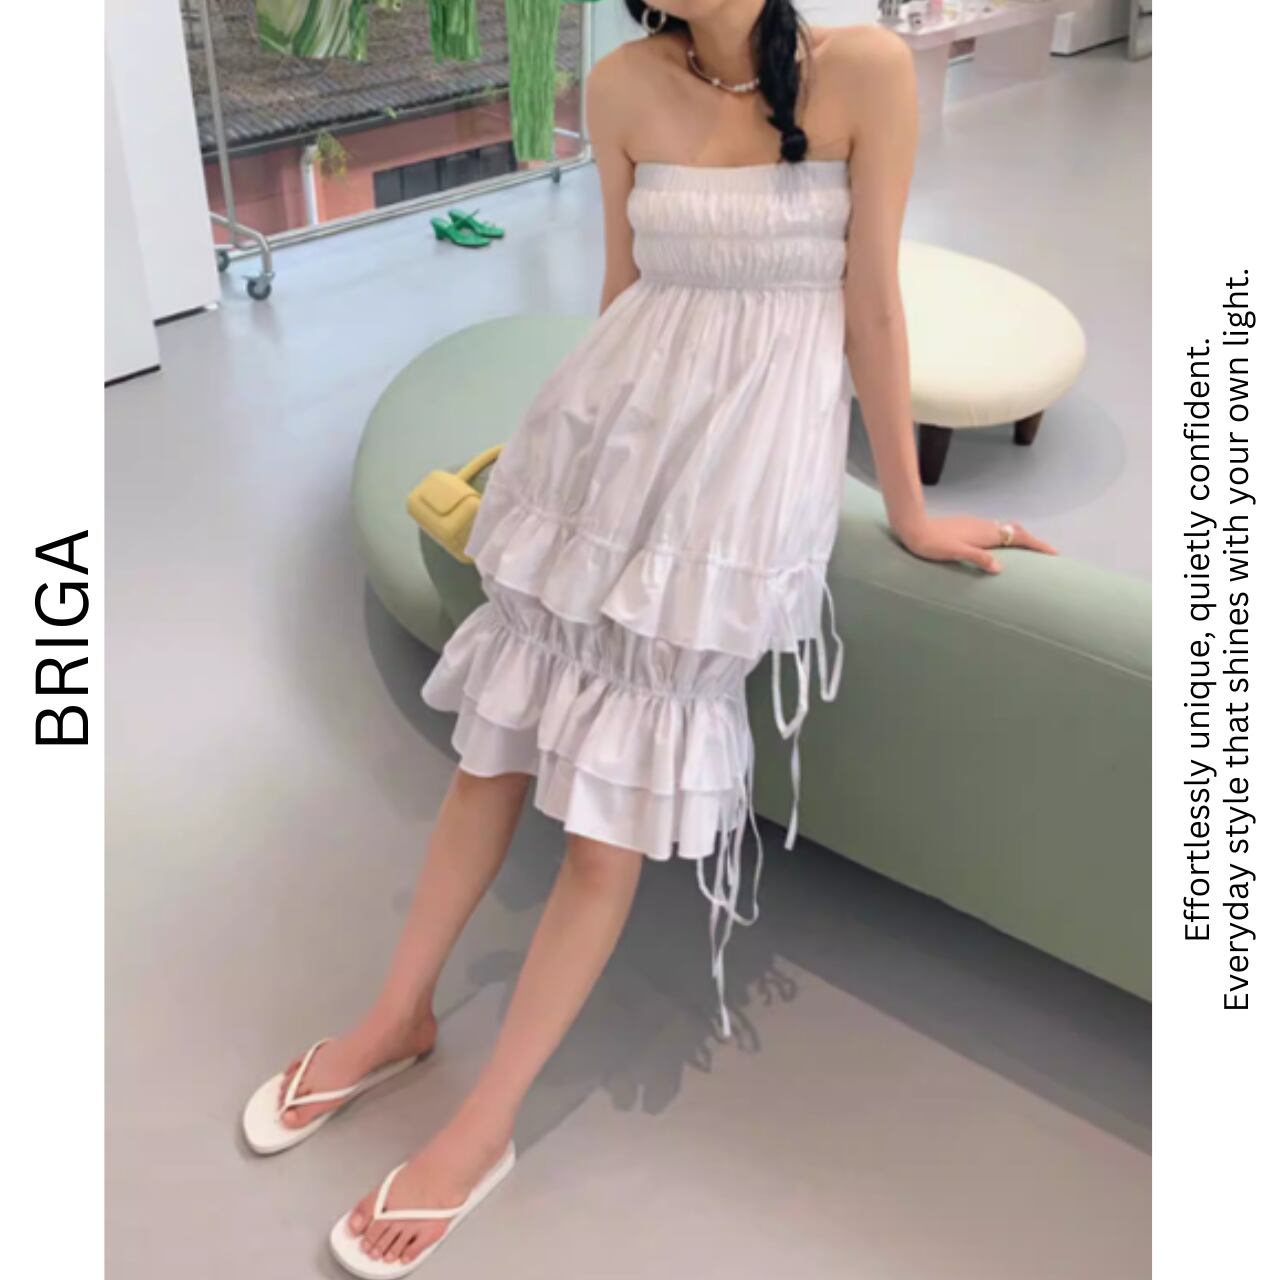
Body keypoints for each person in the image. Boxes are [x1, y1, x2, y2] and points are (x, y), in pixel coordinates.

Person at [242, 3, 1056, 1273]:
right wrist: (562, 452)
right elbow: (620, 295)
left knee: (607, 815)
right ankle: (396, 1014)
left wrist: (907, 510)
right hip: (604, 447)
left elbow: (871, 308)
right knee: (490, 747)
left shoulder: (862, 71)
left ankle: (485, 1122)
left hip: (737, 486)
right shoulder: (621, 81)